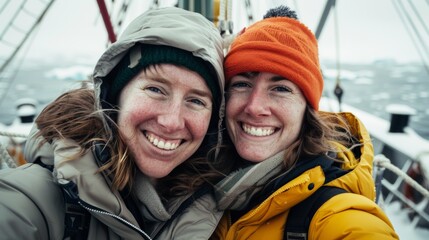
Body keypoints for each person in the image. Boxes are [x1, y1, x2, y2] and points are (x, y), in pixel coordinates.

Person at [0, 7, 229, 240]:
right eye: (155, 89)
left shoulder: (223, 206)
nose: (171, 122)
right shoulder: (35, 199)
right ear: (115, 96)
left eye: (196, 101)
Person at [210, 5, 399, 239]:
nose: (254, 107)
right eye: (242, 84)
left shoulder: (334, 215)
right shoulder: (195, 181)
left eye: (280, 88)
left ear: (307, 111)